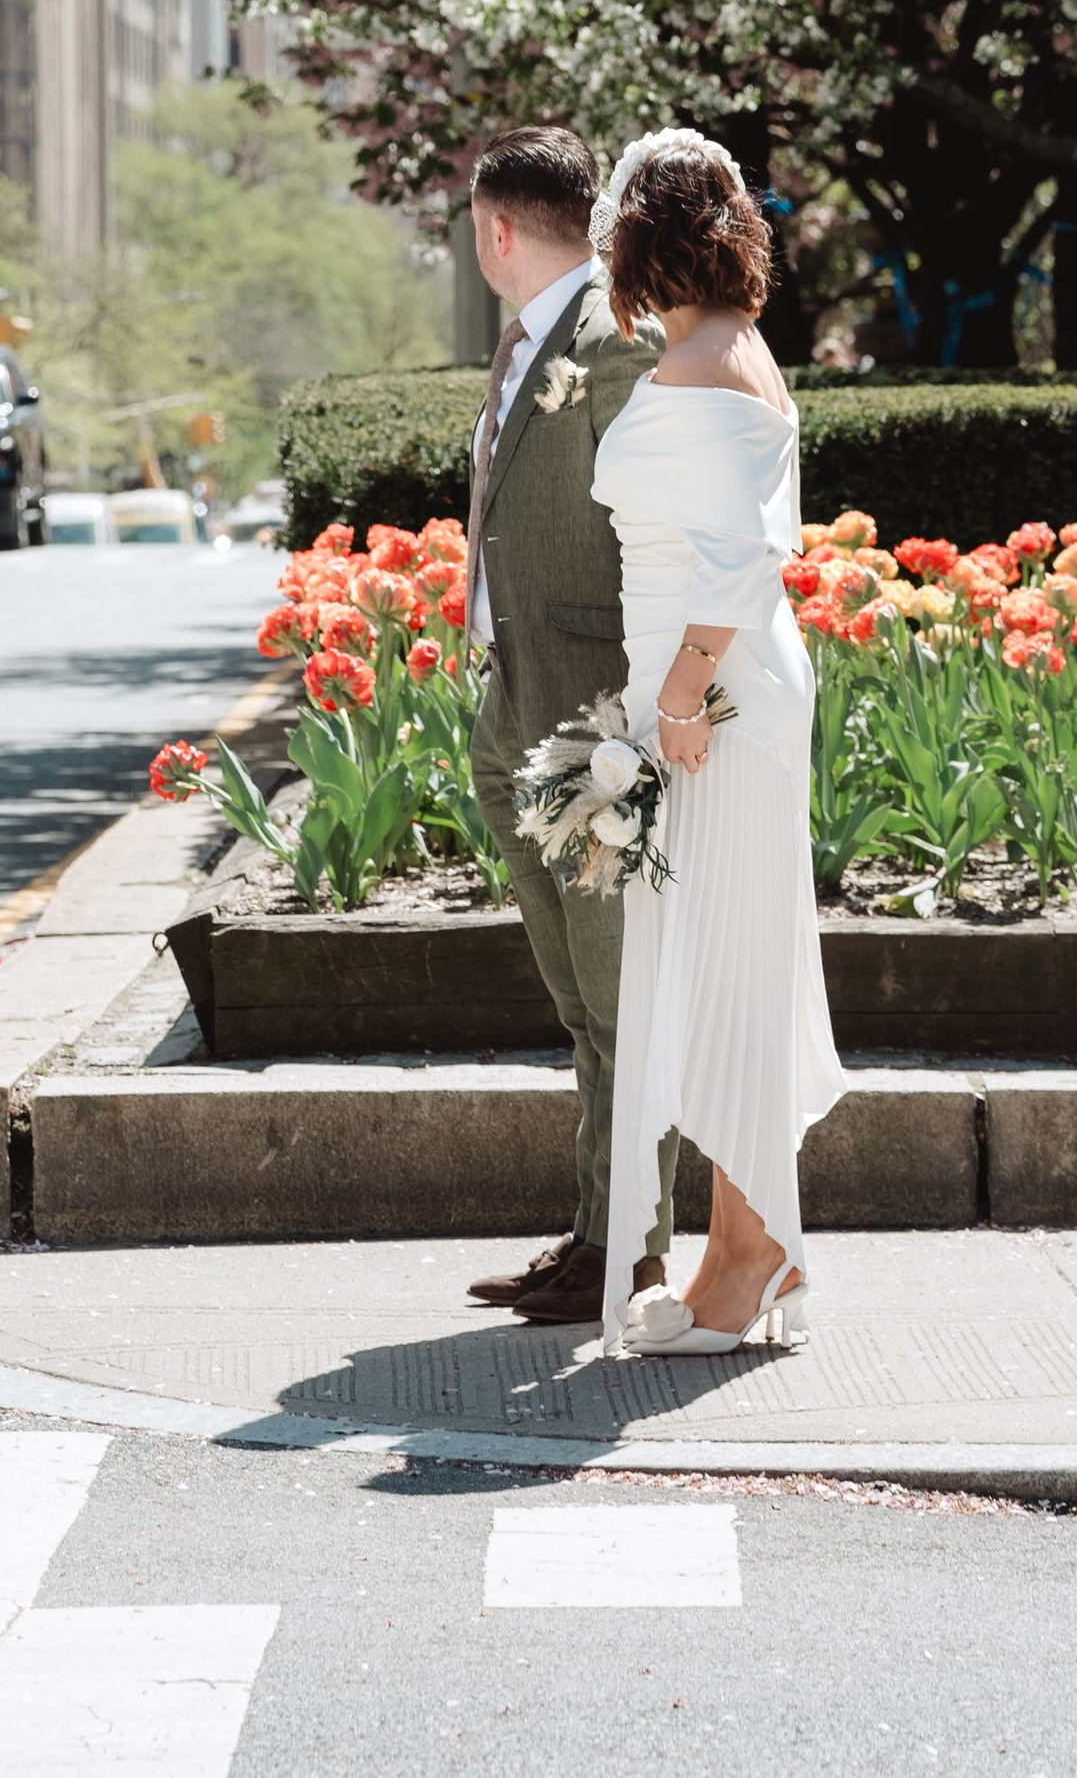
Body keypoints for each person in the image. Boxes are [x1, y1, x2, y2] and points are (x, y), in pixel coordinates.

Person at [592, 128, 844, 1354]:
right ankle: (752, 1245)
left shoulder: (704, 364)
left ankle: (744, 1260)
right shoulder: (734, 348)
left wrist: (683, 695)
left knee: (729, 976)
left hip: (716, 698)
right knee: (734, 965)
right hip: (719, 686)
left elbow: (740, 556)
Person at [459, 124, 673, 1330]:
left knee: (617, 994)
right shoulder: (535, 342)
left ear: (497, 230)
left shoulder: (611, 347)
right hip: (516, 705)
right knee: (581, 1001)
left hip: (593, 723)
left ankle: (629, 1248)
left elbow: (658, 543)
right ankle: (597, 1232)